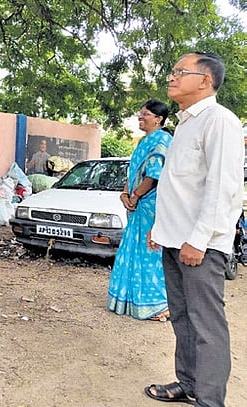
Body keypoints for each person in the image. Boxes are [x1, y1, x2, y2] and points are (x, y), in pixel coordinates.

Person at [145, 52, 244, 406]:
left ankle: (209, 399)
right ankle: (188, 384)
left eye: (179, 72)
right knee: (183, 318)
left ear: (205, 80)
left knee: (206, 326)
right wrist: (160, 227)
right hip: (175, 239)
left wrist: (199, 240)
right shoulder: (186, 123)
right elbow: (179, 185)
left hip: (199, 245)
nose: (171, 77)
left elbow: (222, 187)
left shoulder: (220, 121)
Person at [107, 99, 172, 320]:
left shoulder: (162, 140)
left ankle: (158, 305)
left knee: (149, 252)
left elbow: (154, 175)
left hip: (151, 206)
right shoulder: (143, 142)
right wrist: (125, 194)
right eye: (140, 113)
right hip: (137, 204)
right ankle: (130, 300)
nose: (140, 117)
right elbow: (134, 173)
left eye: (145, 114)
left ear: (158, 118)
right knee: (134, 251)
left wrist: (135, 196)